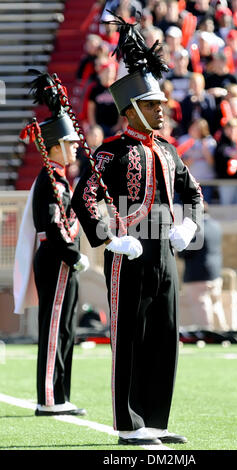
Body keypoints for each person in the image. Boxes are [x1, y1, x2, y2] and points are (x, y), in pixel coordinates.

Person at [72, 13, 203, 446]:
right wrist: (110, 237)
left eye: (162, 103)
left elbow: (195, 194)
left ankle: (156, 421)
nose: (162, 109)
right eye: (153, 105)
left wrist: (189, 225)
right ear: (131, 110)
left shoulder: (168, 150)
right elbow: (84, 197)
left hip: (165, 249)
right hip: (128, 251)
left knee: (166, 337)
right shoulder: (110, 151)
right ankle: (129, 425)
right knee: (130, 336)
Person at [14, 71, 90, 416]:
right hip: (56, 258)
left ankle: (60, 394)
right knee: (54, 325)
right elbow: (52, 225)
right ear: (56, 147)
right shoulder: (50, 180)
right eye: (70, 143)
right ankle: (48, 398)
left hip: (64, 258)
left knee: (66, 328)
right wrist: (73, 255)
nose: (75, 147)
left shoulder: (61, 179)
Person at [179, 202, 228, 331]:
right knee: (216, 304)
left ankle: (207, 332)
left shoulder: (196, 229)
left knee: (201, 304)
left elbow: (184, 252)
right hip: (215, 274)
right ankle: (223, 331)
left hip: (197, 275)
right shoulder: (216, 226)